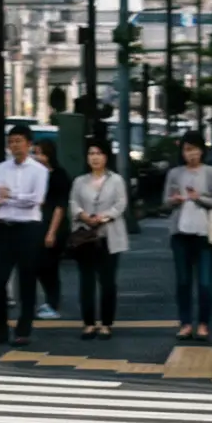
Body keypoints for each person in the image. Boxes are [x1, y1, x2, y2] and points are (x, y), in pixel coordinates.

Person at [0, 125, 50, 344]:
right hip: (3, 227)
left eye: (19, 141)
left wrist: (10, 195)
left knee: (27, 280)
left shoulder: (39, 170)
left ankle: (23, 330)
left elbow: (36, 199)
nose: (14, 145)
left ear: (29, 144)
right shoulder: (1, 168)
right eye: (11, 141)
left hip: (28, 229)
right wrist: (11, 197)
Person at [67, 138, 128, 339]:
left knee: (108, 281)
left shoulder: (116, 180)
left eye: (98, 153)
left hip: (109, 235)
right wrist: (83, 215)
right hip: (85, 236)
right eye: (91, 153)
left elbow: (121, 203)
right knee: (86, 281)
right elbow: (73, 203)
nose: (94, 158)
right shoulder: (80, 181)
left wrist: (104, 216)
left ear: (106, 157)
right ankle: (89, 323)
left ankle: (106, 323)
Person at [163, 134, 212, 340]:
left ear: (202, 151)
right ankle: (186, 323)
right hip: (180, 233)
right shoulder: (175, 173)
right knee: (183, 281)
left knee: (205, 282)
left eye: (195, 149)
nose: (191, 154)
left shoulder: (211, 172)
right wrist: (175, 200)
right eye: (187, 150)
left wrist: (199, 198)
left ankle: (203, 323)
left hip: (204, 234)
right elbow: (166, 202)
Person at [34, 136, 72, 321]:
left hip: (54, 226)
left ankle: (52, 302)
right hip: (38, 223)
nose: (37, 157)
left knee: (50, 265)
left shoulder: (58, 175)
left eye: (40, 153)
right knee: (39, 265)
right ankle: (48, 302)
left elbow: (60, 206)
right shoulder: (35, 174)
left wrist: (52, 232)